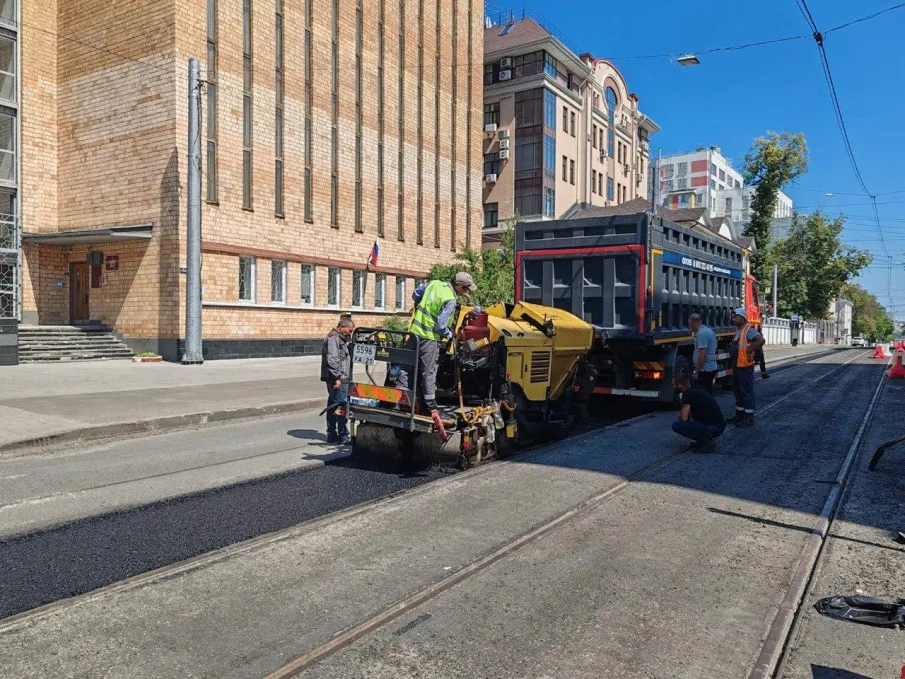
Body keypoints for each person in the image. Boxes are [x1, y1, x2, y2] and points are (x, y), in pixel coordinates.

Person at [397, 272, 476, 439]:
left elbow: (415, 295)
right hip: (429, 338)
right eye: (466, 289)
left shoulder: (434, 283)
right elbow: (440, 325)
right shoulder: (451, 299)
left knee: (408, 366)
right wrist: (450, 333)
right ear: (459, 286)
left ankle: (402, 397)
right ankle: (430, 406)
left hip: (414, 333)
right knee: (429, 371)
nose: (465, 293)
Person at [670, 372, 726, 451]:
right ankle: (702, 440)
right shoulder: (697, 388)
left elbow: (683, 418)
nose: (674, 387)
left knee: (676, 426)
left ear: (680, 385)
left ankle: (706, 441)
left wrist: (682, 414)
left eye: (674, 385)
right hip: (718, 425)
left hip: (713, 428)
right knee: (692, 421)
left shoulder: (687, 394)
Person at [321, 316, 355, 444]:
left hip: (338, 377)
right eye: (349, 330)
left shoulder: (340, 338)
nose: (350, 333)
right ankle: (343, 435)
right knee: (341, 406)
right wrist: (337, 378)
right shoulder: (334, 338)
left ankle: (332, 434)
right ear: (341, 327)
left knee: (332, 405)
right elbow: (333, 359)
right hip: (338, 378)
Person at [730, 307, 765, 427]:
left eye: (735, 317)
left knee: (746, 391)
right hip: (738, 365)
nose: (733, 319)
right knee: (738, 391)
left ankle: (749, 417)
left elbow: (760, 340)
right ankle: (739, 415)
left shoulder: (748, 329)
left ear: (742, 317)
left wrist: (750, 349)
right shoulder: (739, 329)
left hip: (745, 366)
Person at [689, 312, 717, 393]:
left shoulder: (702, 334)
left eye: (690, 323)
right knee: (707, 393)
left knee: (703, 394)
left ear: (694, 322)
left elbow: (703, 355)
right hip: (708, 368)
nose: (689, 326)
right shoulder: (707, 331)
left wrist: (696, 371)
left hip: (705, 369)